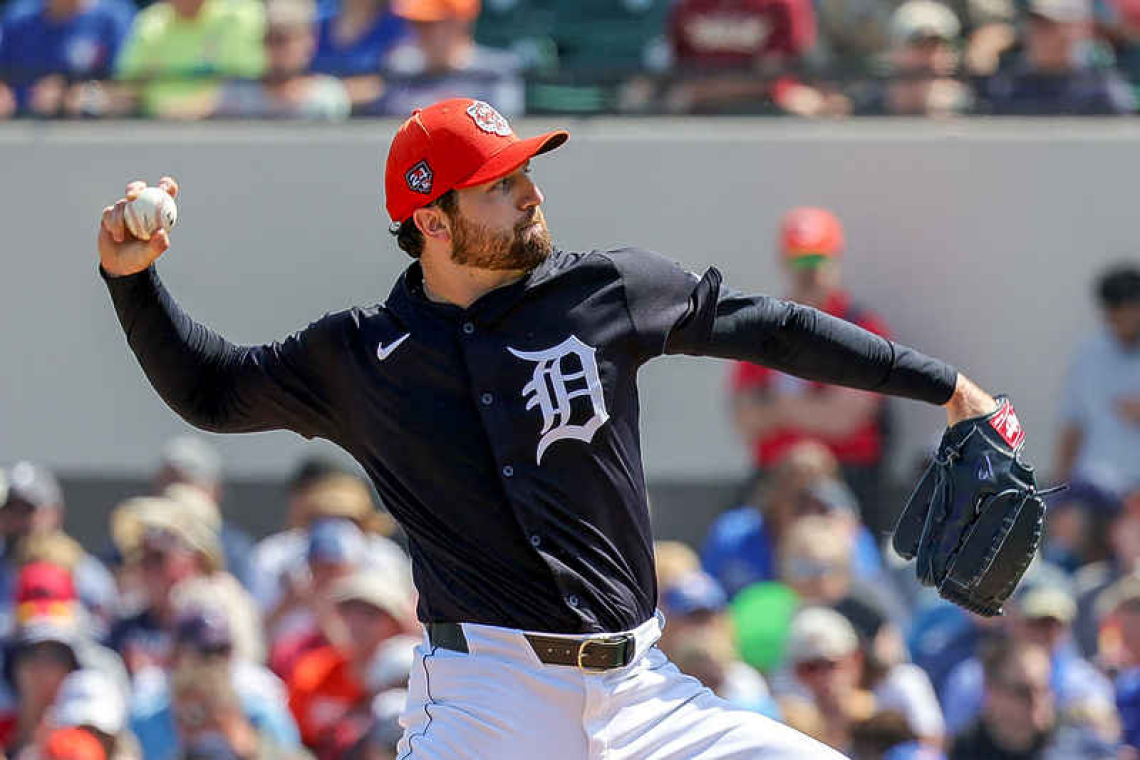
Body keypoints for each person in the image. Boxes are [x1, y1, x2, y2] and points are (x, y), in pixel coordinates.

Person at [97, 96, 1012, 758]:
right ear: (433, 222)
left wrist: (948, 389)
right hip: (486, 700)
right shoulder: (362, 356)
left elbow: (772, 327)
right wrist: (132, 281)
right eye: (497, 184)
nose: (529, 191)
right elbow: (211, 392)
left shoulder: (606, 290)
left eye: (525, 170)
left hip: (646, 692)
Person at [727, 207, 895, 535]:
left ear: (835, 259)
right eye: (801, 261)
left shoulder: (862, 328)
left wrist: (777, 406)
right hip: (773, 479)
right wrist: (813, 409)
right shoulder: (764, 326)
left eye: (817, 261)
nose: (809, 272)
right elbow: (746, 420)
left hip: (846, 477)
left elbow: (844, 419)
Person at [1055, 264, 1140, 494]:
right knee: (1067, 526)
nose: (1125, 318)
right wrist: (1059, 486)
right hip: (1093, 479)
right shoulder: (1088, 355)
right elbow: (1072, 424)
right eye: (1117, 311)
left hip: (1136, 486)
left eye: (1131, 309)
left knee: (1130, 531)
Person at [365, 0, 524, 117]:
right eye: (415, 24)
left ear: (459, 21)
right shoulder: (399, 70)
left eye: (429, 24)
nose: (419, 32)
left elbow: (501, 143)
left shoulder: (494, 75)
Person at [113, 0, 265, 118]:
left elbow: (245, 82)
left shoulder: (240, 16)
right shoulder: (150, 20)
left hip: (224, 127)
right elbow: (128, 86)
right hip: (157, 129)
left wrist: (192, 109)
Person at [979, 0, 1136, 114]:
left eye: (1050, 26)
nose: (1040, 33)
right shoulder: (1003, 88)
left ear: (1079, 30)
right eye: (1036, 24)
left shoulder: (1102, 93)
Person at [212, 0, 351, 120]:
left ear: (309, 42)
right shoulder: (236, 97)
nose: (275, 48)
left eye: (283, 40)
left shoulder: (328, 97)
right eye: (268, 39)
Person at [152, 437, 255, 591]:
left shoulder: (235, 549)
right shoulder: (140, 538)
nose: (173, 492)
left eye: (183, 482)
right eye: (166, 481)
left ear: (215, 491)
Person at [0, 0, 134, 118]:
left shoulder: (115, 16)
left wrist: (89, 95)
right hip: (20, 128)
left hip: (90, 131)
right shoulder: (18, 16)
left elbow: (128, 87)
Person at [856, 0, 972, 116]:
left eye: (936, 46)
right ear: (897, 50)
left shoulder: (972, 100)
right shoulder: (870, 100)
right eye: (920, 46)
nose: (930, 56)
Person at [949, 637, 1056, 760]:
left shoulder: (1074, 744)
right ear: (991, 691)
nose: (1037, 701)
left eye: (1044, 690)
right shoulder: (963, 750)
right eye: (1022, 691)